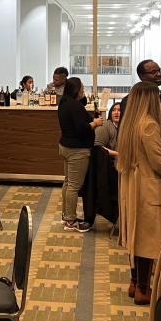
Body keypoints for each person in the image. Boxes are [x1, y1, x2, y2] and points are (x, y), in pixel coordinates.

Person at [116, 82, 161, 304]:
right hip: (149, 187)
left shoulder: (129, 124)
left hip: (132, 186)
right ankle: (144, 289)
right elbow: (159, 161)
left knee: (135, 236)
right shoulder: (149, 125)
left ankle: (135, 282)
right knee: (147, 239)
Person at [58, 76, 103, 233]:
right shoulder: (74, 106)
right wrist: (95, 123)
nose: (84, 91)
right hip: (77, 150)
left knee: (68, 182)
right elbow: (81, 128)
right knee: (74, 186)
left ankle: (66, 215)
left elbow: (81, 106)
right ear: (76, 90)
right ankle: (70, 220)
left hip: (65, 146)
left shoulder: (64, 102)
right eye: (82, 89)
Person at [120, 59, 161, 154]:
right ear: (142, 76)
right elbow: (127, 130)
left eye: (159, 70)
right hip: (144, 154)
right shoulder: (131, 100)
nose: (158, 74)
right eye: (153, 72)